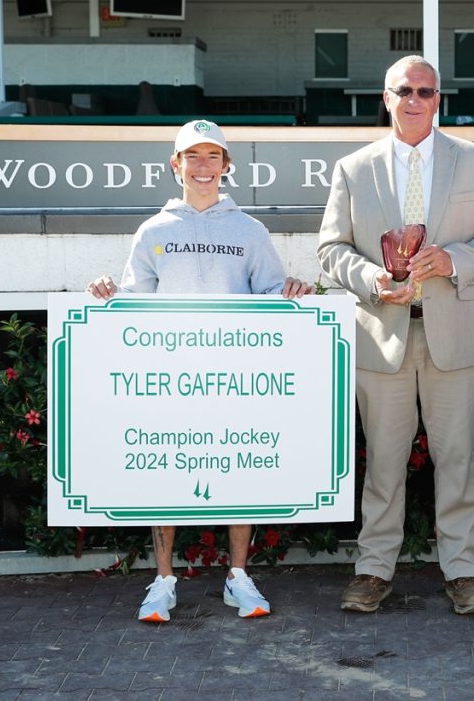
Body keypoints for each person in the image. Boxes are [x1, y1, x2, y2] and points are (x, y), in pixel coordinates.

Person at [87, 119, 312, 623]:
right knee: (165, 472)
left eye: (213, 156)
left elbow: (270, 297)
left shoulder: (249, 230)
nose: (203, 166)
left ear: (227, 166)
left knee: (239, 470)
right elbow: (136, 301)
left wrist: (293, 292)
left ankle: (238, 578)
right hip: (171, 378)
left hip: (235, 378)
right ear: (176, 165)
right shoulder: (155, 230)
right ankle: (163, 582)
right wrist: (108, 292)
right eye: (193, 156)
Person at [318, 55, 474, 615]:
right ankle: (373, 568)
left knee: (456, 460)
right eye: (403, 90)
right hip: (382, 336)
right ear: (385, 98)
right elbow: (331, 249)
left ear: (439, 100)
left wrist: (451, 261)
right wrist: (373, 279)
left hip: (452, 333)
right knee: (383, 462)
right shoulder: (354, 168)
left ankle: (463, 571)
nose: (414, 100)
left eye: (425, 91)